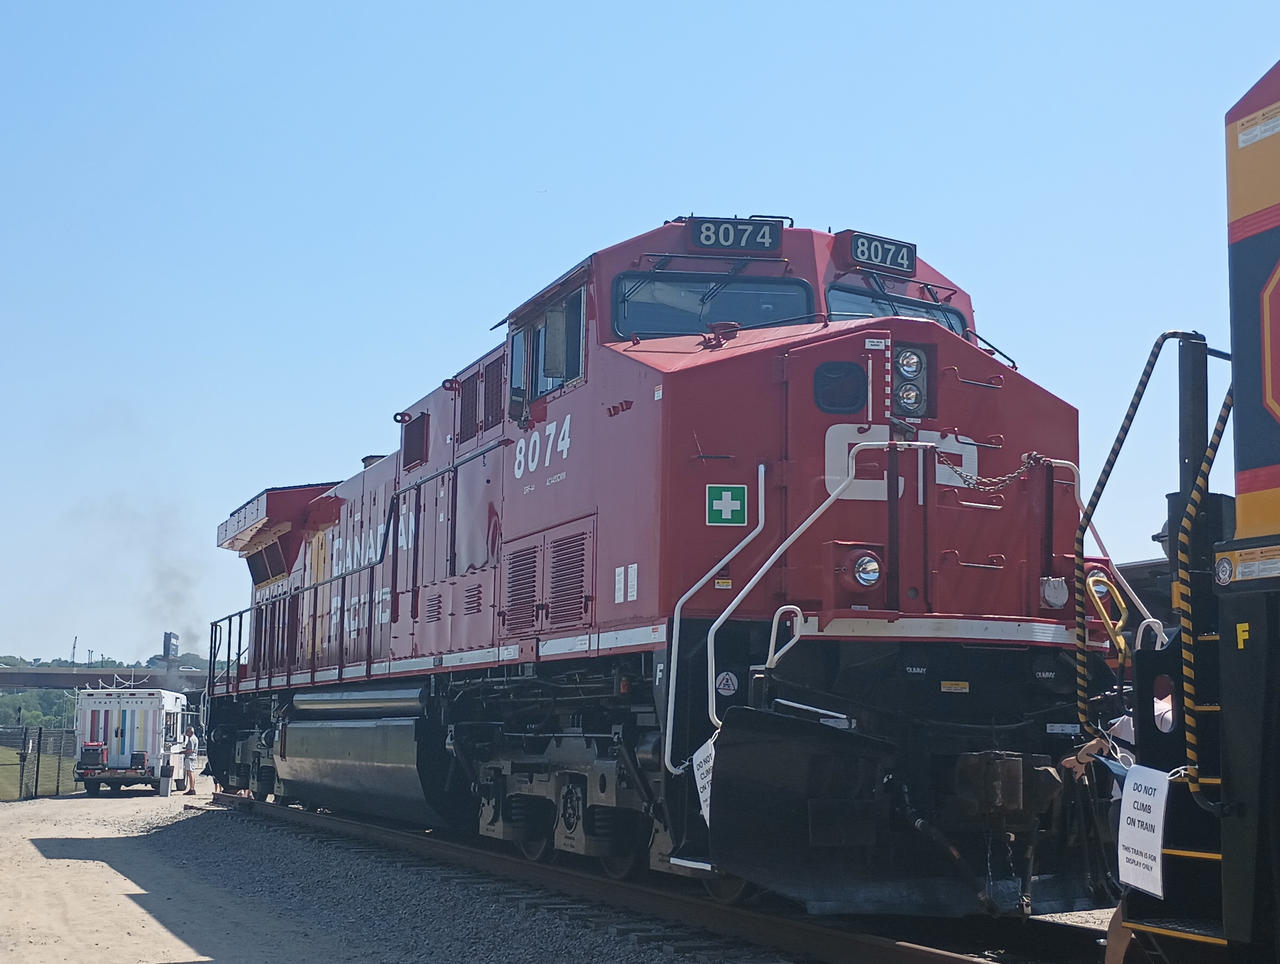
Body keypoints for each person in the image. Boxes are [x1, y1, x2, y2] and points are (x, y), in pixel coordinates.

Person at [182, 726, 199, 795]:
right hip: (193, 757)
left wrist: (182, 752)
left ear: (190, 732)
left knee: (190, 773)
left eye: (187, 732)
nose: (186, 733)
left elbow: (190, 750)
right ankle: (192, 788)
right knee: (192, 772)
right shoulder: (195, 738)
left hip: (189, 757)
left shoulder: (191, 739)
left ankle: (191, 789)